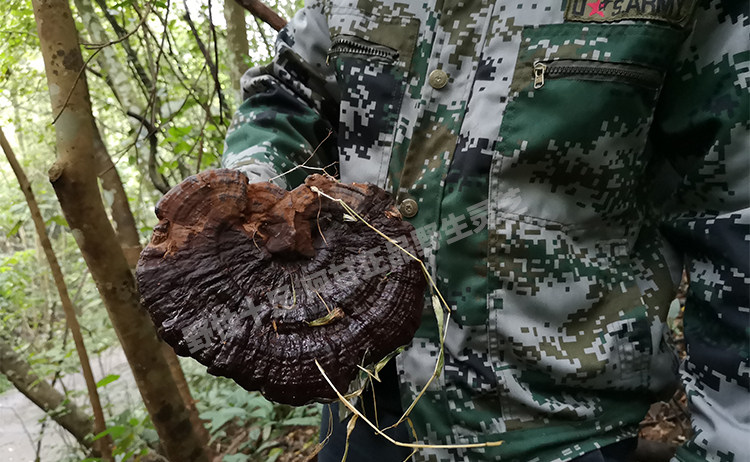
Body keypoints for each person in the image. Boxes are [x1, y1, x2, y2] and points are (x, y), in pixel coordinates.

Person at [222, 0, 749, 461]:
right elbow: (287, 92)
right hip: (364, 406)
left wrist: (729, 446)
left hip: (560, 428)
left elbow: (735, 207)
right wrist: (250, 190)